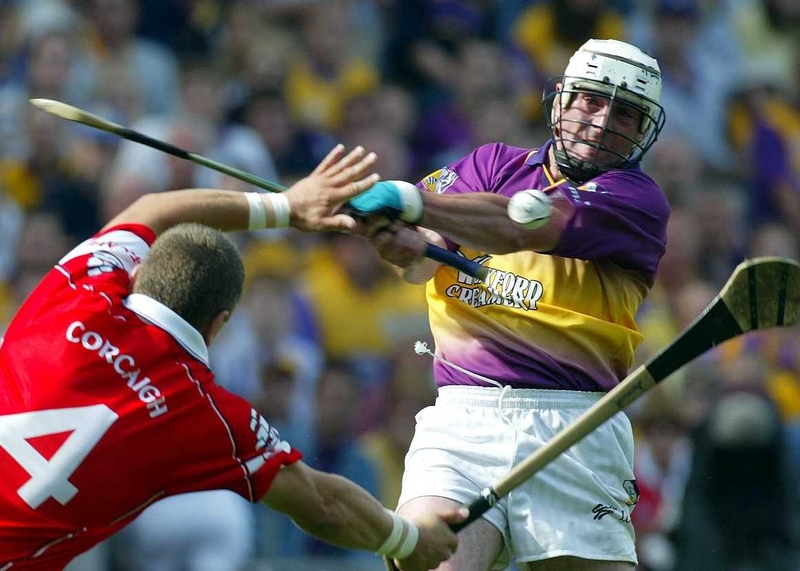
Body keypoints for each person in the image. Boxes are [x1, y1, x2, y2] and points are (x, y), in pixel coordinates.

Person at [0, 144, 464, 571]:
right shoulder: (207, 416)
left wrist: (287, 207)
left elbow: (149, 210)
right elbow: (320, 501)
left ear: (138, 271)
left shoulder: (79, 290)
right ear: (219, 325)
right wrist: (407, 540)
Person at [346, 39, 670, 570]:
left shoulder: (637, 201)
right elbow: (420, 263)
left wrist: (412, 202)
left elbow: (520, 224)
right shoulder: (491, 164)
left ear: (641, 132)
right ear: (561, 101)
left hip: (575, 428)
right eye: (590, 100)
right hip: (462, 420)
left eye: (625, 113)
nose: (602, 121)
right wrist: (402, 244)